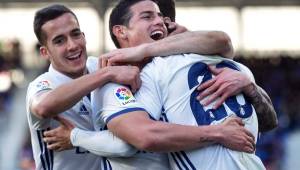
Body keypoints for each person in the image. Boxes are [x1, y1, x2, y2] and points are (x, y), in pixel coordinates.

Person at [45, 0, 276, 169]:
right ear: (120, 31)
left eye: (163, 17)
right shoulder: (114, 78)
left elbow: (268, 121)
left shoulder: (208, 63)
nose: (160, 22)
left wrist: (249, 86)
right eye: (148, 16)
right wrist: (217, 133)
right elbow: (135, 139)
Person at [26, 4, 142, 170]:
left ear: (84, 36)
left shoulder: (102, 64)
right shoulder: (43, 84)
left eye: (75, 34)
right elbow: (43, 106)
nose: (72, 45)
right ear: (46, 53)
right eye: (59, 41)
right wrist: (106, 74)